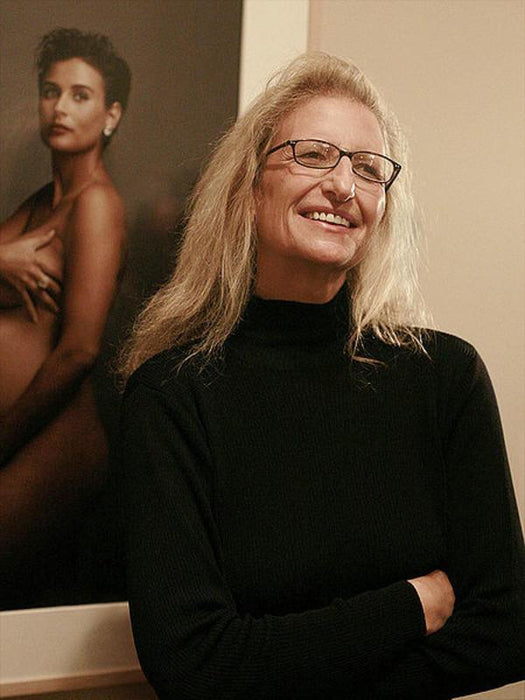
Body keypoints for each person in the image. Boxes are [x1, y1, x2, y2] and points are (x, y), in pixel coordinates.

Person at [118, 53, 524, 698]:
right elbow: (193, 664)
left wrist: (285, 662)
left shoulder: (445, 377)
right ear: (249, 187)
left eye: (369, 169)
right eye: (313, 155)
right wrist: (413, 604)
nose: (343, 186)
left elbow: (507, 630)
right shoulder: (172, 394)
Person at [0, 28, 131, 608]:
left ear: (110, 115)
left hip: (58, 438)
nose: (60, 107)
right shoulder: (40, 203)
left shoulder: (96, 203)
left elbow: (79, 350)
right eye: (51, 91)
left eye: (81, 95)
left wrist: (2, 440)